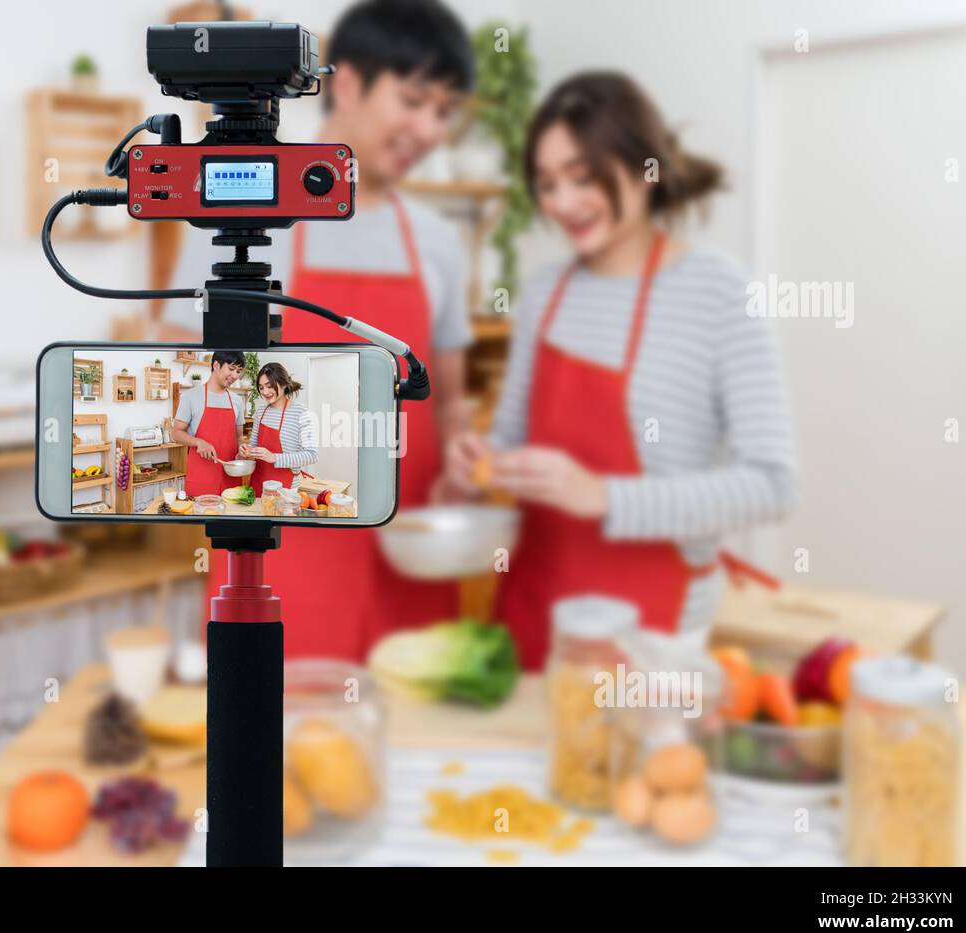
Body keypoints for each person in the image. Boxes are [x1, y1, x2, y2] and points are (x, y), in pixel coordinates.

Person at [446, 72, 798, 669]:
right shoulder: (543, 293)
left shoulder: (717, 291)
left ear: (641, 166)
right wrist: (478, 461)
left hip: (652, 631)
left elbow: (772, 484)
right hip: (534, 609)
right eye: (547, 184)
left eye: (583, 177)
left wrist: (603, 497)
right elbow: (509, 439)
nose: (562, 203)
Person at [168, 0, 478, 660]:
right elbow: (181, 384)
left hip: (408, 554)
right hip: (279, 552)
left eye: (443, 112)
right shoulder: (232, 214)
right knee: (279, 745)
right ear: (346, 81)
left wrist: (461, 462)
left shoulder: (439, 242)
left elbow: (448, 400)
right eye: (414, 99)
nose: (428, 129)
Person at [171, 350, 246, 497]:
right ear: (216, 365)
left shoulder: (237, 401)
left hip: (230, 476)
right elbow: (176, 433)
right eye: (231, 369)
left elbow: (239, 437)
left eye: (238, 371)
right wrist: (198, 442)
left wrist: (242, 451)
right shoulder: (190, 397)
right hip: (202, 476)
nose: (235, 376)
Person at [242, 362, 318, 492]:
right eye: (261, 388)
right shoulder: (261, 412)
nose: (265, 392)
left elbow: (312, 455)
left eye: (269, 386)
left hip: (286, 489)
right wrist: (246, 450)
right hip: (259, 483)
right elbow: (253, 446)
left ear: (283, 384)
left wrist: (274, 458)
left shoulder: (301, 413)